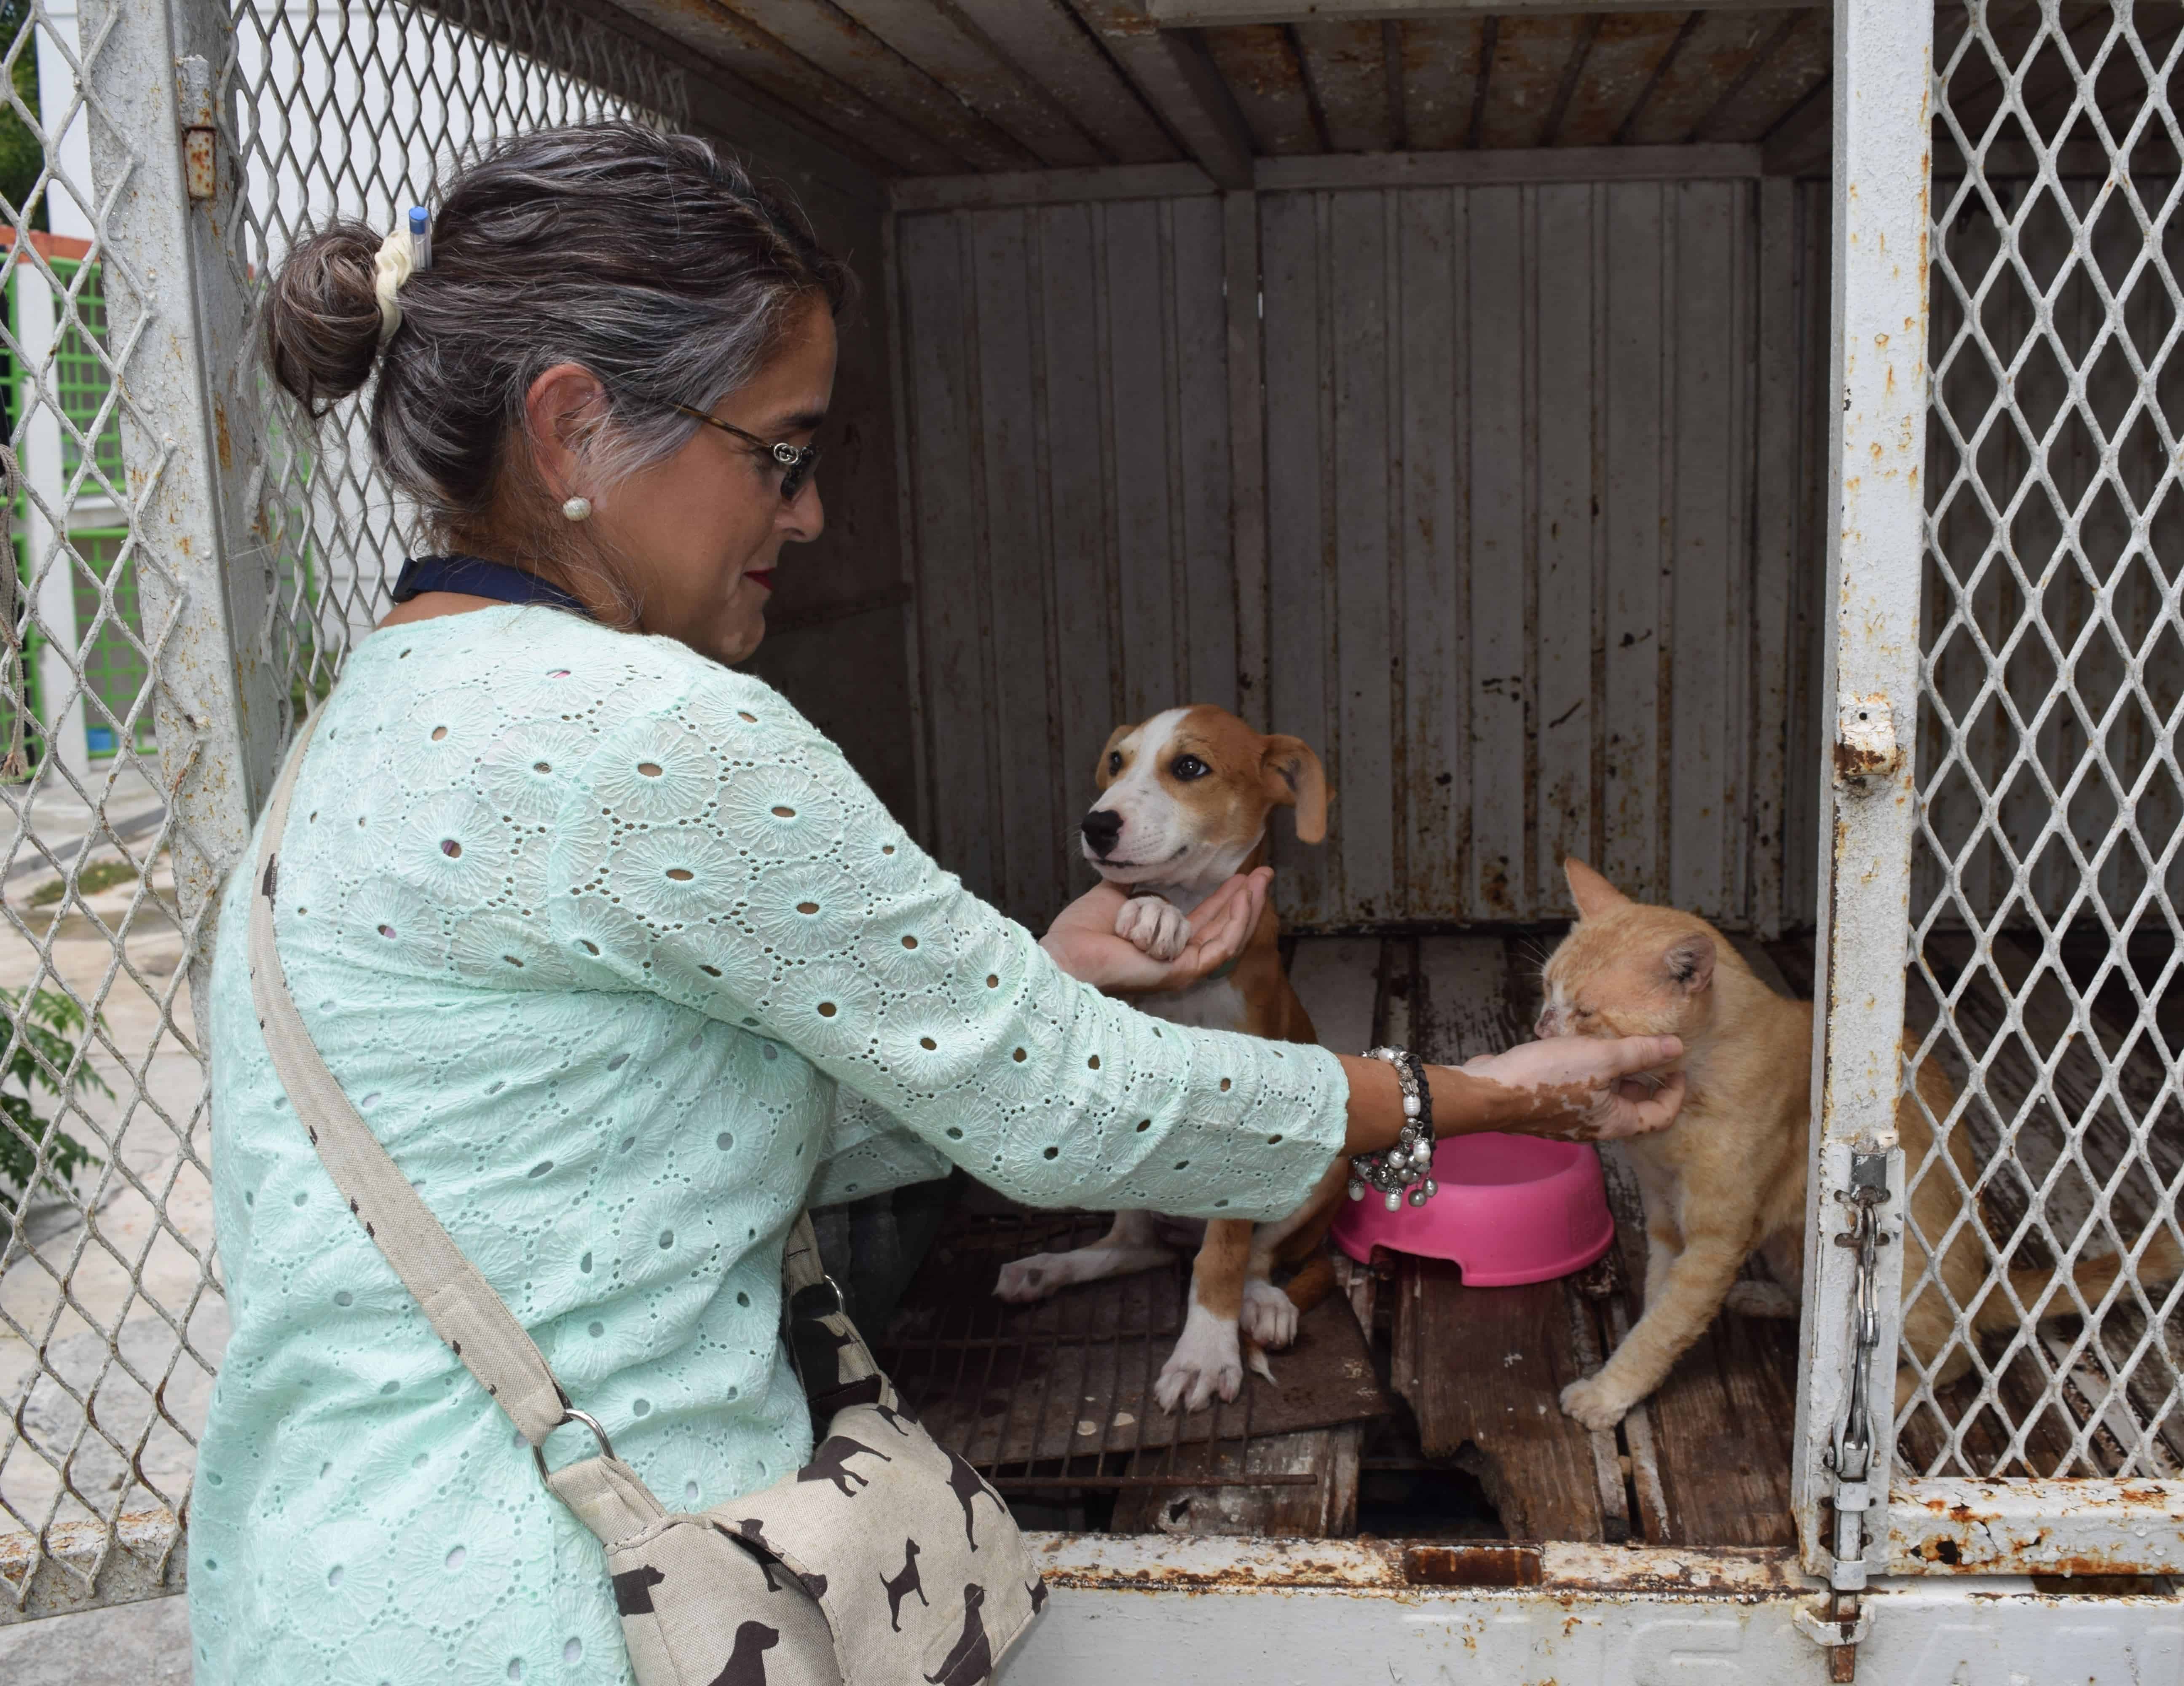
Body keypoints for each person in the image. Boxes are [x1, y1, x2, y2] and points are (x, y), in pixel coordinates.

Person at [186, 122, 1687, 1684]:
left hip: (318, 1586)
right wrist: (1484, 1097)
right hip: (566, 1606)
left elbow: (649, 1153)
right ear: (571, 435)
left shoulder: (355, 728)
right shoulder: (654, 728)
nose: (812, 512)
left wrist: (1043, 983)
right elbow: (1062, 1112)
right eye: (781, 450)